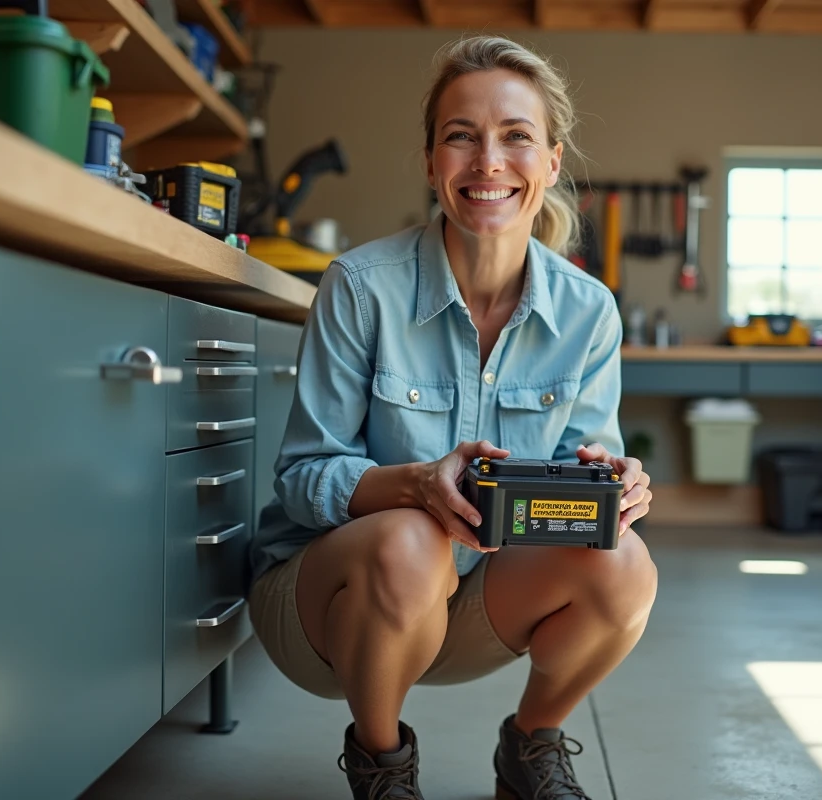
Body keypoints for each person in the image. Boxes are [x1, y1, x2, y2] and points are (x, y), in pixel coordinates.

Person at [247, 34, 658, 800]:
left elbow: (579, 478)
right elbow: (302, 480)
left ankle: (531, 750)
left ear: (553, 161)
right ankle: (382, 767)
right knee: (412, 535)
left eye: (515, 137)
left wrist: (614, 486)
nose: (488, 162)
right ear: (432, 158)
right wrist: (412, 486)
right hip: (325, 611)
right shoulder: (361, 288)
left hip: (472, 608)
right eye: (461, 137)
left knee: (624, 562)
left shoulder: (589, 311)